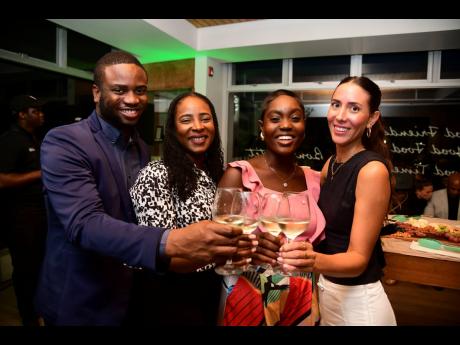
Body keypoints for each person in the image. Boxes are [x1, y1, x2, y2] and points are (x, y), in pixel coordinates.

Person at [34, 51, 243, 326]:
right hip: (82, 297)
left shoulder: (141, 146)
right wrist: (172, 240)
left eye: (140, 90)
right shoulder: (65, 141)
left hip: (131, 295)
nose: (132, 99)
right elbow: (84, 223)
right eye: (119, 90)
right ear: (96, 93)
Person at [278, 76, 397, 325]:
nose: (340, 116)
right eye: (335, 104)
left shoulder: (371, 170)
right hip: (328, 294)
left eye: (354, 108)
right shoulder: (330, 164)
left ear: (372, 118)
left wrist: (311, 260)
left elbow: (357, 260)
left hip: (360, 305)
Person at [129, 92, 243, 325]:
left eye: (205, 118)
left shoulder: (214, 174)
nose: (198, 127)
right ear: (172, 129)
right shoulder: (157, 174)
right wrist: (222, 253)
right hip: (170, 296)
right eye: (186, 120)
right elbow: (158, 255)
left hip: (209, 289)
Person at [217, 89, 325, 326]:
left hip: (303, 293)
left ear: (303, 127)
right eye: (275, 118)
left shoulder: (315, 180)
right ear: (262, 127)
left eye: (295, 118)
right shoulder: (239, 174)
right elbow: (215, 246)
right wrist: (248, 251)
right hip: (250, 292)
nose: (285, 125)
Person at [0, 94, 47, 326]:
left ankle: (39, 308)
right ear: (21, 114)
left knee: (38, 265)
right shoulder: (11, 140)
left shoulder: (33, 139)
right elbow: (2, 179)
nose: (41, 115)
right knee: (25, 268)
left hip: (38, 213)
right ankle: (28, 316)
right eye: (35, 111)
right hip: (20, 215)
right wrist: (41, 173)